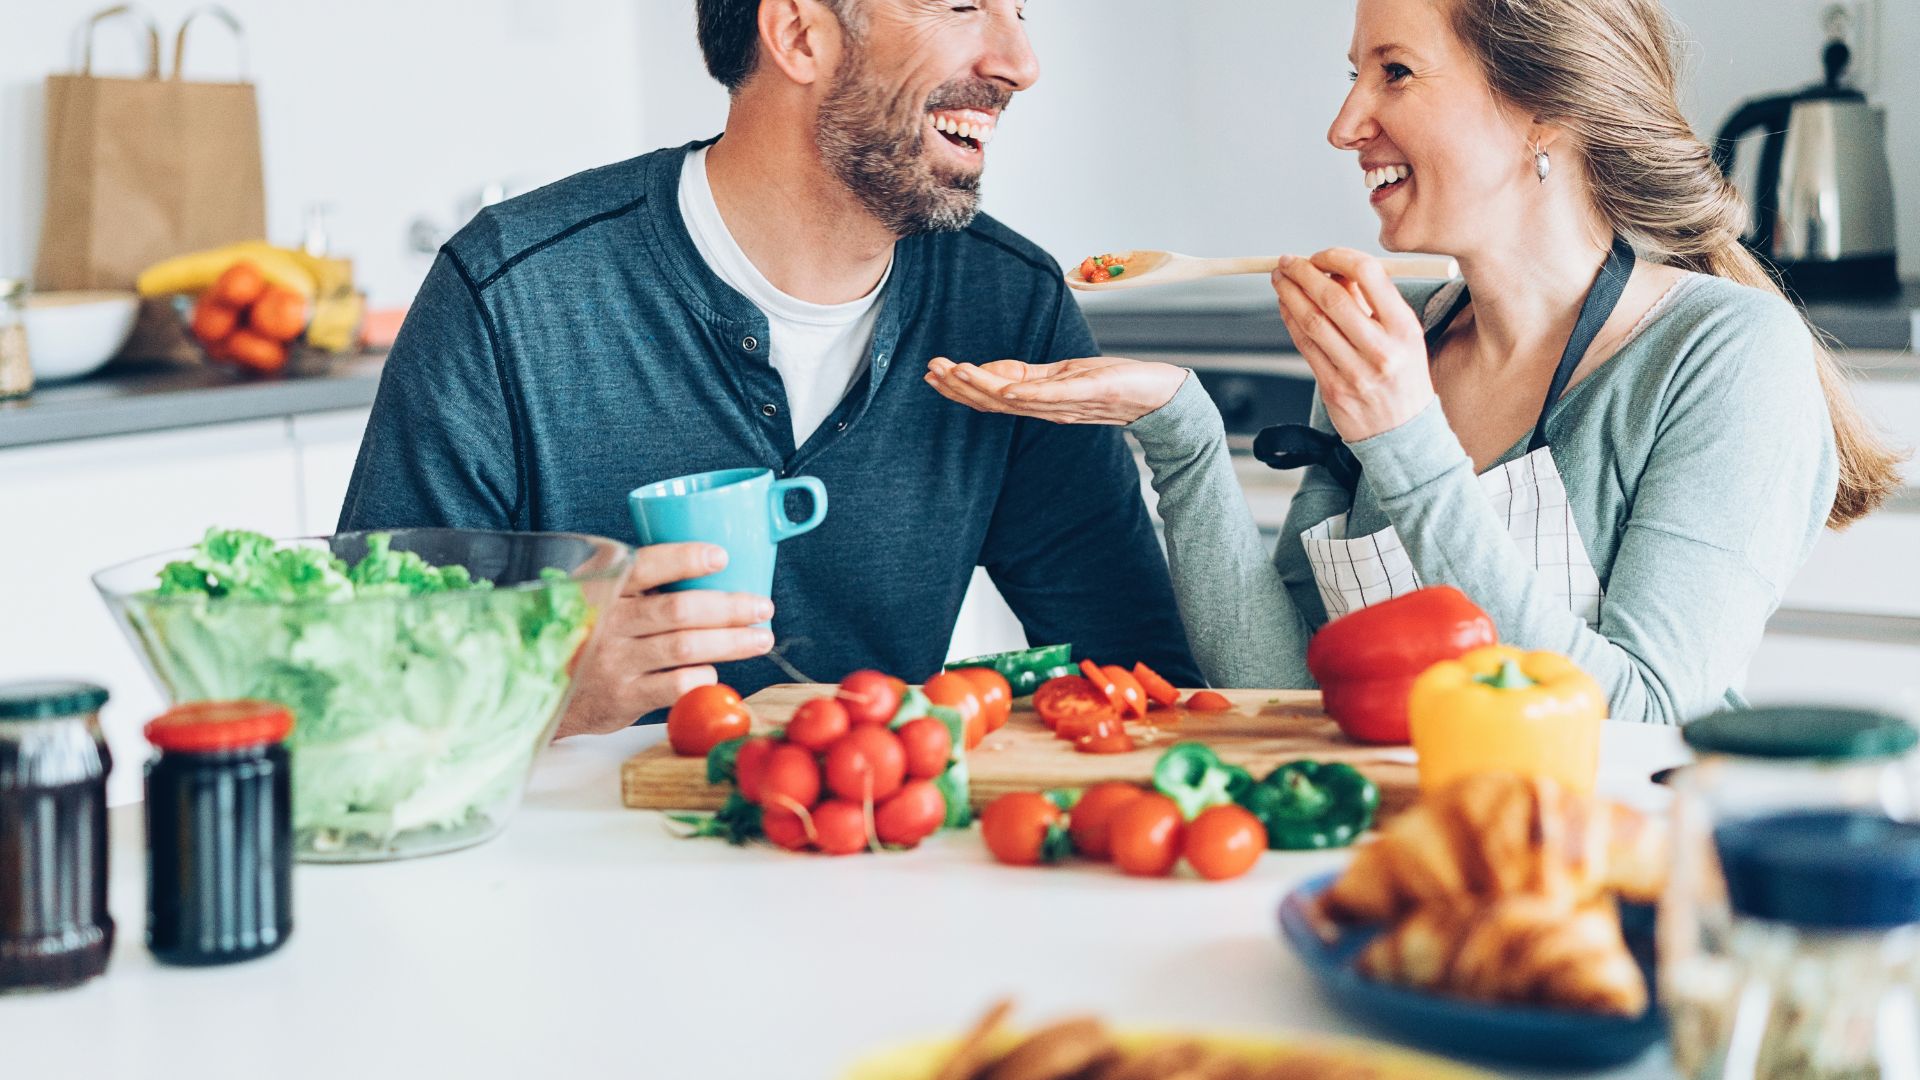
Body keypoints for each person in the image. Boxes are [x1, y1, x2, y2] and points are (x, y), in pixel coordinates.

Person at [927, 0, 1904, 725]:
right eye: (1353, 75)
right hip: (1399, 869)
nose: (1346, 123)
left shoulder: (1722, 358)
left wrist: (1407, 441)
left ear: (1543, 111)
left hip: (1606, 893)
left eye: (1393, 73)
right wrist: (1180, 433)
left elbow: (1641, 721)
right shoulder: (1405, 343)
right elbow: (1287, 689)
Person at [340, 0, 1197, 737]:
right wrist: (542, 691)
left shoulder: (1009, 305)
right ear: (797, 34)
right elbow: (359, 685)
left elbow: (1131, 674)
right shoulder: (512, 293)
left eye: (1022, 11)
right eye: (960, 4)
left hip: (870, 859)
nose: (1020, 62)